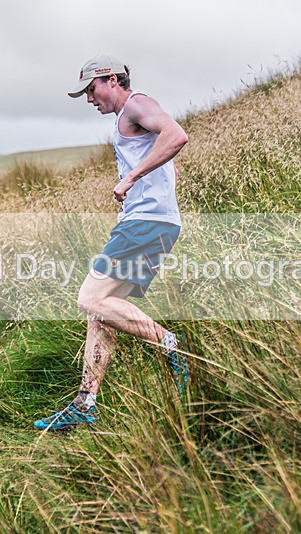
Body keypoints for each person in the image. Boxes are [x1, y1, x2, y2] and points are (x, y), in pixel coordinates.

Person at [34, 54, 190, 431]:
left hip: (146, 224)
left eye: (92, 89)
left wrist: (131, 178)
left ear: (111, 80)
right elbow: (164, 152)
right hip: (150, 222)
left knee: (89, 297)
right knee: (101, 311)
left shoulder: (136, 104)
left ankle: (170, 344)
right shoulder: (127, 117)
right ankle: (85, 403)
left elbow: (176, 135)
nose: (90, 99)